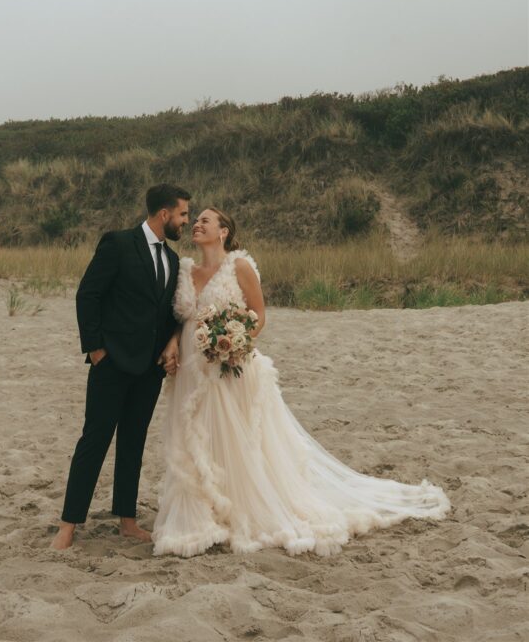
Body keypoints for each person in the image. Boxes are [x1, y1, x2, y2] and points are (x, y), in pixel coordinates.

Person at [152, 207, 451, 557]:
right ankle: (200, 514)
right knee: (194, 437)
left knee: (234, 438)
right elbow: (181, 318)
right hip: (191, 366)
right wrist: (172, 342)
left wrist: (236, 343)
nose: (197, 224)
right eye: (196, 219)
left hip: (229, 365)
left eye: (206, 220)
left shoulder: (239, 267)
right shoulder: (186, 270)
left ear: (223, 231)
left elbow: (258, 315)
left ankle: (237, 508)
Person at [51, 183, 190, 550]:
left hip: (149, 370)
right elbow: (88, 294)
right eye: (183, 214)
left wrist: (167, 350)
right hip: (111, 363)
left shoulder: (173, 260)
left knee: (133, 443)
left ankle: (126, 520)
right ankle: (68, 525)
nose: (185, 222)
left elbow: (168, 312)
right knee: (94, 441)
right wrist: (96, 350)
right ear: (164, 214)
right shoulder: (117, 243)